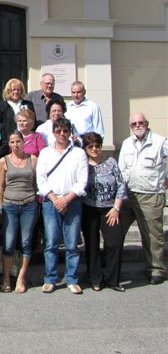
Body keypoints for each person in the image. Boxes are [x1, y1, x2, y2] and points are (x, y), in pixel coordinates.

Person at [36, 117, 88, 294]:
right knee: (51, 242)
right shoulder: (45, 153)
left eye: (65, 131)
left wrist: (66, 199)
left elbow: (82, 181)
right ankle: (50, 278)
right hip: (51, 202)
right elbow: (41, 180)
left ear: (70, 132)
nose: (62, 134)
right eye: (58, 131)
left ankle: (72, 279)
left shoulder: (79, 153)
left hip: (72, 202)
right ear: (53, 132)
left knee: (72, 243)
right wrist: (55, 198)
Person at [118, 113, 168, 285]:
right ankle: (112, 267)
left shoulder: (160, 142)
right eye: (134, 124)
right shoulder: (126, 143)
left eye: (140, 123)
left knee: (153, 234)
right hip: (128, 194)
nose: (137, 126)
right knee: (116, 230)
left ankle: (156, 269)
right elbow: (121, 169)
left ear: (147, 123)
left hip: (150, 194)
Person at [82, 132, 127, 292]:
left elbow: (121, 185)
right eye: (90, 146)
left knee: (114, 242)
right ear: (85, 148)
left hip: (110, 209)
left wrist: (116, 208)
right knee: (92, 245)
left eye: (97, 146)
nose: (94, 149)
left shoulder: (111, 162)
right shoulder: (83, 165)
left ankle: (112, 280)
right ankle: (95, 279)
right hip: (89, 208)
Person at [0, 131, 38, 294]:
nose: (16, 145)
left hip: (29, 204)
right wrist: (0, 206)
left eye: (18, 141)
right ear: (9, 144)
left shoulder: (33, 159)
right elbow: (1, 186)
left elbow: (36, 182)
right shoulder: (3, 160)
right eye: (12, 142)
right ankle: (6, 277)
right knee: (8, 243)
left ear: (24, 142)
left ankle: (21, 277)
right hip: (10, 205)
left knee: (26, 242)